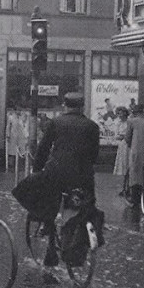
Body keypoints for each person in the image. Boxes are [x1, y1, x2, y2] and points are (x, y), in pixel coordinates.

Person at [26, 92, 100, 267]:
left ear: (65, 105)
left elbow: (43, 148)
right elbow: (94, 155)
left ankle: (50, 240)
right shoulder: (92, 126)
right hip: (83, 176)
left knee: (49, 202)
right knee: (85, 206)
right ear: (82, 106)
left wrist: (36, 169)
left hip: (58, 173)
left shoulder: (56, 122)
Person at [123, 104, 144, 210]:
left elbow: (128, 137)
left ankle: (134, 199)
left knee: (134, 172)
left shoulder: (132, 121)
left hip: (136, 150)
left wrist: (129, 145)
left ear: (134, 112)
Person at [113, 107, 130, 195]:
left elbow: (130, 134)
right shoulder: (118, 123)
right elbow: (117, 136)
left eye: (122, 113)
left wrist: (124, 136)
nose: (120, 115)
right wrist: (123, 136)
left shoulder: (129, 122)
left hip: (129, 145)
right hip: (122, 146)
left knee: (128, 164)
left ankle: (128, 187)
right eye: (119, 113)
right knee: (123, 166)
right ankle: (124, 187)